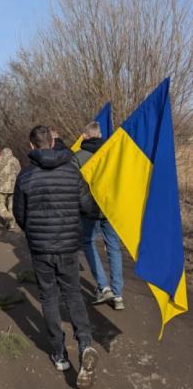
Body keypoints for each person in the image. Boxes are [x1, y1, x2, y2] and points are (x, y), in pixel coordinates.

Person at [13, 125, 99, 389]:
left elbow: (19, 214)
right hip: (68, 247)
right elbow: (88, 207)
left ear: (31, 146)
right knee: (73, 294)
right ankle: (84, 343)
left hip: (41, 248)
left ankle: (59, 353)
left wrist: (34, 233)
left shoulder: (25, 176)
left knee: (49, 297)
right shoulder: (73, 172)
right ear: (52, 142)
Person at [74, 121, 125, 310]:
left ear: (85, 136)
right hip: (111, 209)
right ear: (100, 134)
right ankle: (118, 295)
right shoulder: (112, 154)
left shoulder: (78, 157)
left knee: (87, 242)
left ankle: (103, 287)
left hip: (90, 210)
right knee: (113, 247)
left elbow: (74, 186)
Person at [0, 147, 21, 229]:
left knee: (0, 204)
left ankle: (8, 217)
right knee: (11, 206)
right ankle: (12, 224)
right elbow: (19, 173)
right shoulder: (15, 160)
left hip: (1, 187)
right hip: (13, 187)